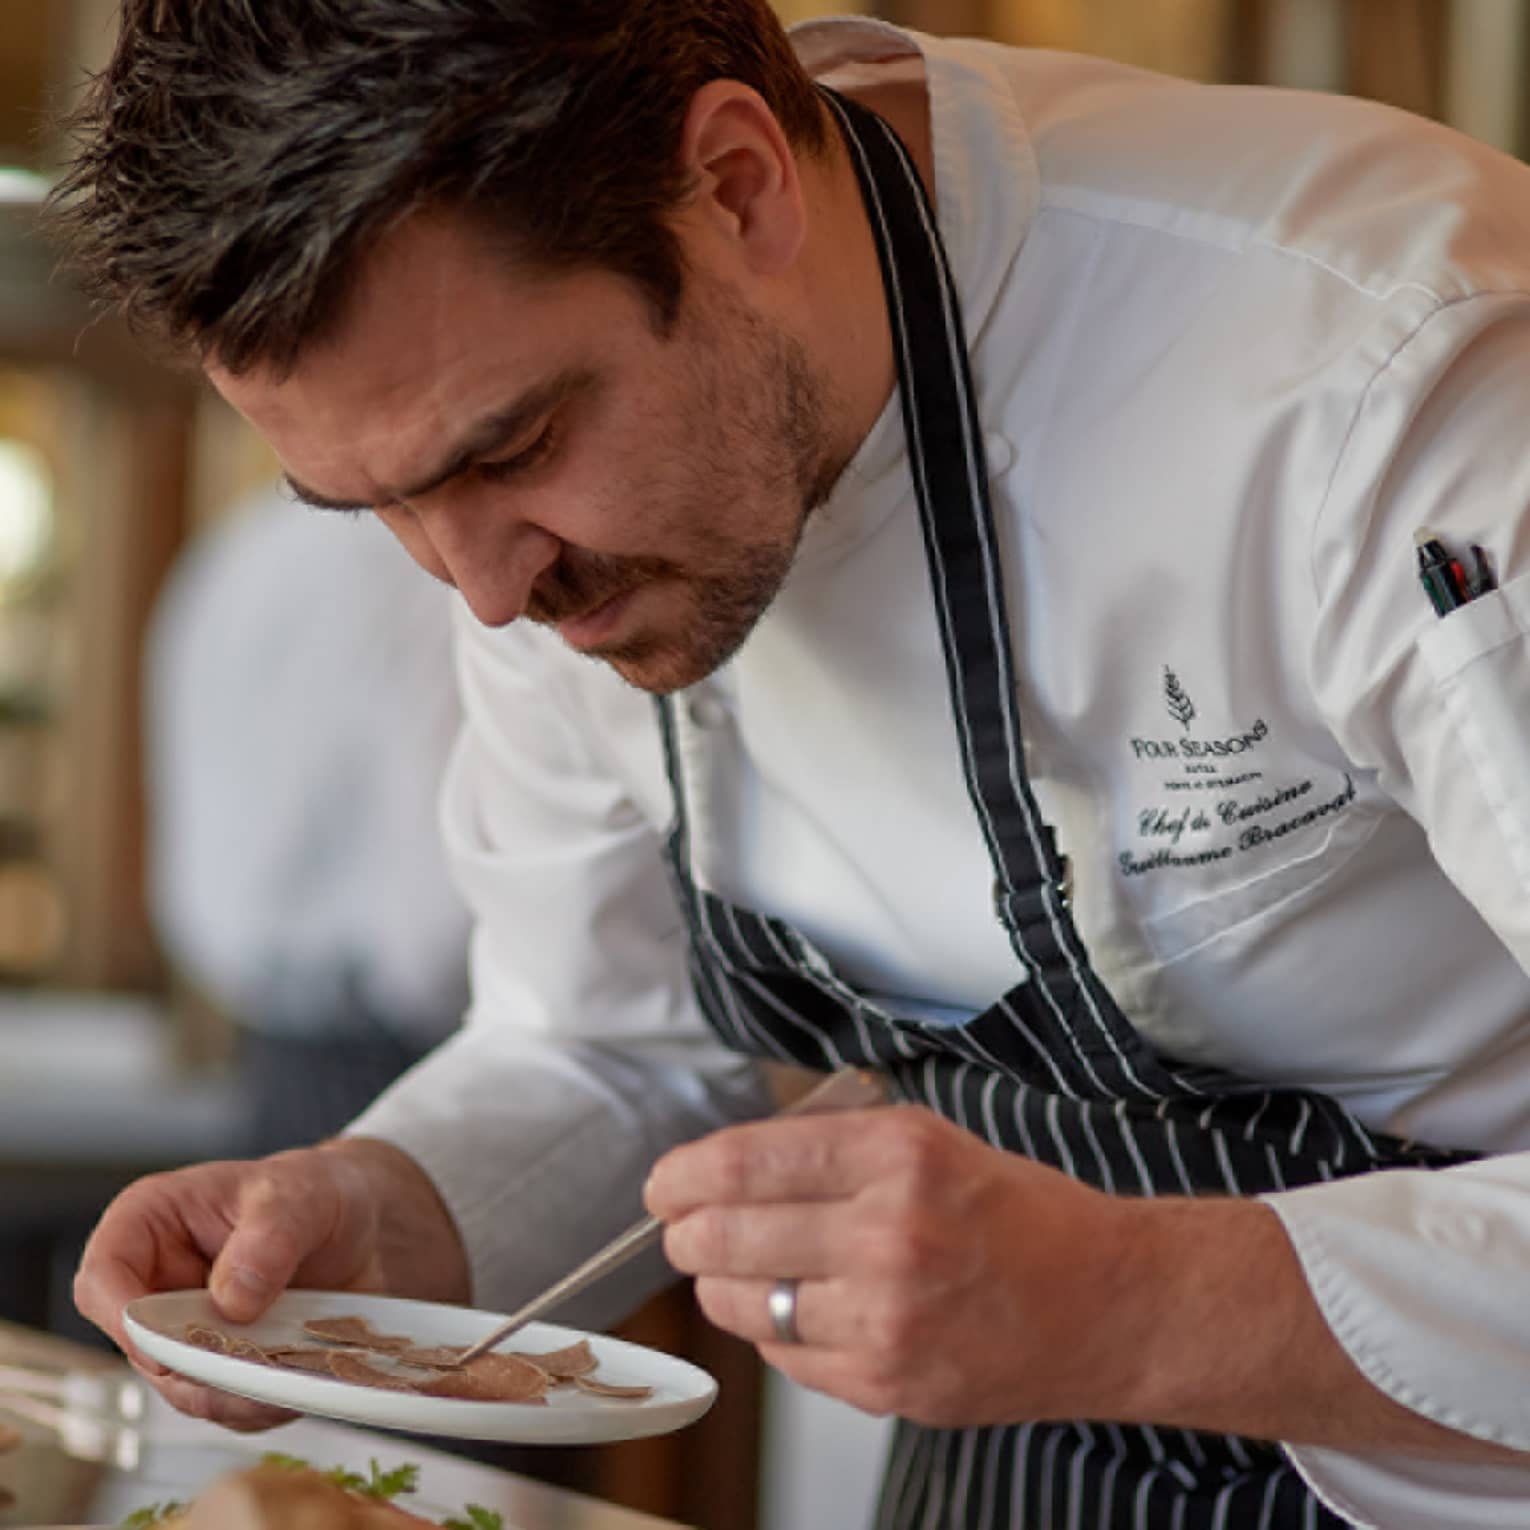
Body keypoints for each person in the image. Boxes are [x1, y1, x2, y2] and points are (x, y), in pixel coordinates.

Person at [49, 2, 1530, 1525]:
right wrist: (381, 1213)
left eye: (511, 448)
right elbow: (604, 1043)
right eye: (375, 506)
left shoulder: (1392, 374)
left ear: (740, 185)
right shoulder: (530, 525)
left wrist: (1132, 1298)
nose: (481, 593)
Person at [145, 486, 470, 1155]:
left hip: (268, 1043)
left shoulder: (231, 555)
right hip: (404, 1045)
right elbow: (436, 838)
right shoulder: (416, 566)